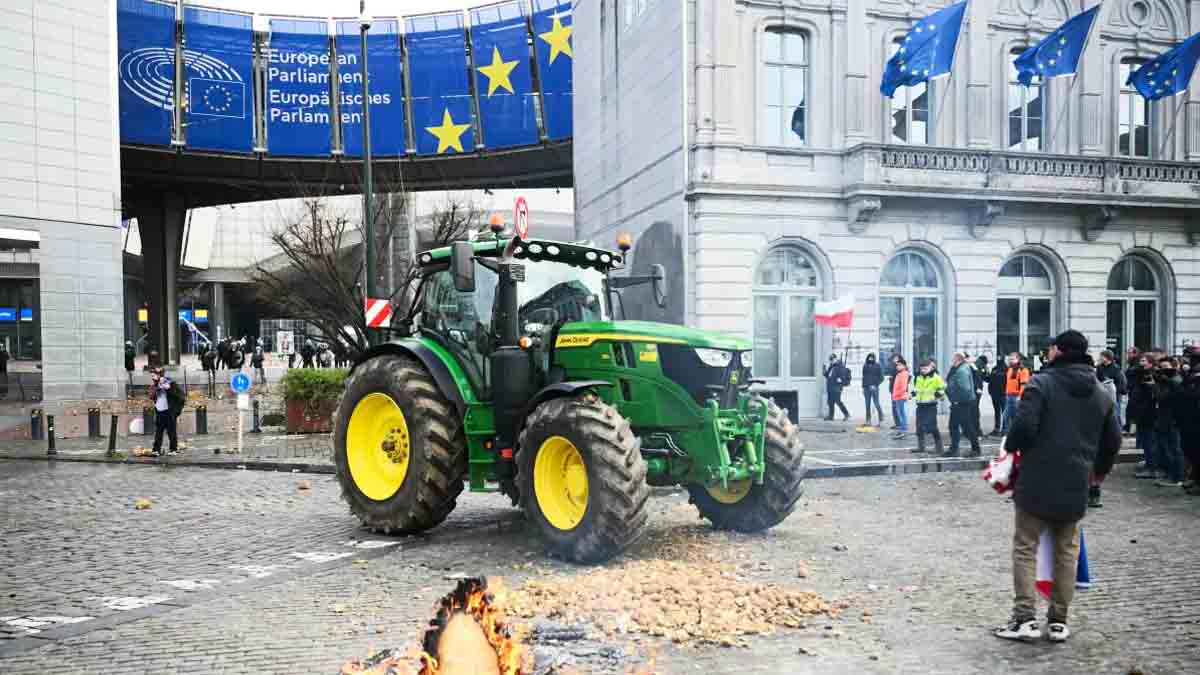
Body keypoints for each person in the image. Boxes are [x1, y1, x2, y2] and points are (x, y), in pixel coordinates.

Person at [995, 330, 1121, 644]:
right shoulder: (1101, 392)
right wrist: (1098, 473)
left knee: (1025, 547)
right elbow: (1113, 441)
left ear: (1059, 351)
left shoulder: (1041, 383)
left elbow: (1024, 427)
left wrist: (1011, 447)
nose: (1048, 352)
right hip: (1076, 480)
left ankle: (1024, 618)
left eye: (1051, 348)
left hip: (1037, 478)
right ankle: (1058, 621)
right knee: (1067, 552)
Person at [1149, 356, 1186, 488]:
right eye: (1161, 367)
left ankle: (1178, 477)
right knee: (1165, 447)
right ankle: (1170, 473)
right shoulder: (1165, 381)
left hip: (1173, 419)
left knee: (1175, 448)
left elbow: (1163, 396)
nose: (1163, 370)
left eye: (1166, 367)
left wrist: (1161, 384)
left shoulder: (1176, 380)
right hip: (1163, 418)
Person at [1128, 354, 1159, 478]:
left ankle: (1152, 468)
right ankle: (1148, 463)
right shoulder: (1139, 373)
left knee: (1149, 441)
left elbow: (1153, 394)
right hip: (1140, 412)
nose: (1141, 363)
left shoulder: (1152, 375)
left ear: (1150, 363)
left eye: (1143, 361)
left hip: (1148, 413)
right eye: (1140, 360)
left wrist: (1151, 385)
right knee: (1145, 441)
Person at [946, 352, 982, 457]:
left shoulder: (962, 371)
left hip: (962, 403)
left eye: (953, 359)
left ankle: (975, 449)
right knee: (954, 426)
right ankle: (954, 449)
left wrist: (954, 396)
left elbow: (965, 388)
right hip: (958, 402)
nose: (952, 361)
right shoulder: (958, 369)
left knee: (966, 427)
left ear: (958, 360)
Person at [911, 359, 946, 455]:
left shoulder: (936, 377)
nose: (923, 370)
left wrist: (939, 394)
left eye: (925, 369)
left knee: (932, 426)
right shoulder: (919, 377)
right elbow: (917, 388)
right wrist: (913, 393)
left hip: (931, 405)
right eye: (922, 369)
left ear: (931, 368)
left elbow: (943, 388)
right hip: (920, 404)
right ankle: (921, 447)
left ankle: (939, 447)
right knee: (919, 426)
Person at [149, 367, 186, 457]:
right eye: (152, 375)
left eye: (155, 375)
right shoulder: (154, 385)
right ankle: (156, 450)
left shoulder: (171, 383)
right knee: (159, 431)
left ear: (160, 375)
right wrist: (156, 387)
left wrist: (168, 389)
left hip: (169, 411)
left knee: (171, 431)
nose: (153, 377)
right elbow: (151, 396)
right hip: (159, 410)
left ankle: (173, 449)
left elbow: (180, 396)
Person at [1179, 350, 1200, 495]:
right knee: (1192, 452)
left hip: (1195, 420)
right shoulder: (1191, 376)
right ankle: (1195, 479)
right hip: (1189, 420)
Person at [1096, 350, 1127, 431]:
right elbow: (1097, 380)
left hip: (1114, 395)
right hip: (1103, 395)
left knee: (1115, 414)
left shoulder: (1116, 368)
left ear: (1107, 358)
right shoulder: (1099, 367)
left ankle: (1117, 430)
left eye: (1102, 356)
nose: (1100, 358)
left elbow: (1121, 382)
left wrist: (1115, 390)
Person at [1002, 352, 1031, 433]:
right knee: (1006, 416)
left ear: (1018, 359)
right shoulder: (1010, 369)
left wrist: (1020, 396)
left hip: (1017, 396)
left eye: (1013, 359)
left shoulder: (1023, 370)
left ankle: (1018, 433)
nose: (1011, 360)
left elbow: (1024, 384)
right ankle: (1009, 433)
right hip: (1009, 396)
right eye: (1010, 359)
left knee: (1017, 417)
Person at [823, 354, 851, 421]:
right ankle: (831, 416)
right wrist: (824, 370)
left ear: (836, 359)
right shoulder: (831, 366)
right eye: (831, 360)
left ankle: (846, 414)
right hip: (830, 386)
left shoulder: (840, 366)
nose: (831, 361)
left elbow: (843, 377)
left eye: (833, 359)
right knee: (830, 402)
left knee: (838, 401)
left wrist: (840, 380)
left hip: (837, 387)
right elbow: (827, 375)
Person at [862, 353, 885, 426]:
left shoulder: (878, 366)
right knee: (867, 405)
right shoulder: (865, 366)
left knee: (876, 403)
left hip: (874, 388)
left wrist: (875, 385)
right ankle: (868, 420)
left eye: (872, 357)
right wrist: (863, 387)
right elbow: (864, 377)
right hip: (866, 388)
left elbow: (882, 378)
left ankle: (881, 418)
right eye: (869, 357)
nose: (870, 359)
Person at [891, 357, 911, 438]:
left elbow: (903, 387)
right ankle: (901, 430)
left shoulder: (904, 373)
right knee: (900, 414)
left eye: (899, 365)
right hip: (897, 396)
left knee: (901, 414)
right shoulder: (899, 373)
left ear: (904, 365)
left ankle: (904, 430)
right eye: (897, 365)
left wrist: (898, 394)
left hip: (900, 397)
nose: (897, 367)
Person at [987, 356, 1007, 437]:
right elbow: (990, 380)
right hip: (995, 394)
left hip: (1003, 394)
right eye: (998, 358)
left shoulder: (1006, 369)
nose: (999, 360)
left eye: (1000, 358)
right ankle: (997, 429)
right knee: (997, 412)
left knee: (1004, 412)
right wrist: (990, 390)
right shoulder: (994, 369)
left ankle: (1004, 429)